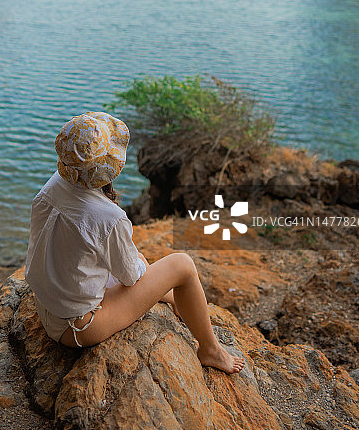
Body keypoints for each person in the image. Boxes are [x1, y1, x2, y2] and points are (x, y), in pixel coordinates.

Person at [25, 111, 245, 374]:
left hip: (48, 305)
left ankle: (170, 297)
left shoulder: (53, 185)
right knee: (182, 264)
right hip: (79, 327)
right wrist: (139, 262)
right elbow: (130, 277)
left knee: (131, 261)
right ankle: (211, 350)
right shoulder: (109, 218)